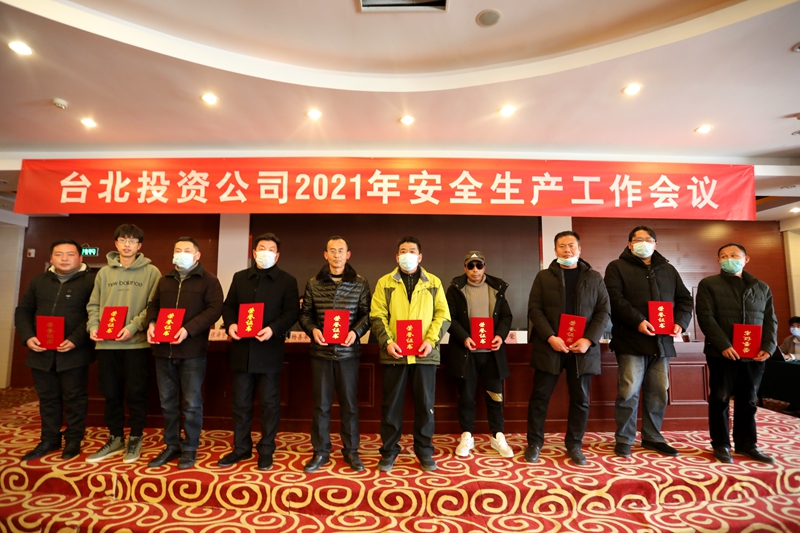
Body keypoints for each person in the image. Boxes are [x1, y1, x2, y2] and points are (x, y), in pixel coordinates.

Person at [604, 225, 693, 458]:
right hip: (631, 340)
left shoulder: (668, 269)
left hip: (661, 343)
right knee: (628, 390)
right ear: (629, 244)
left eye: (648, 239)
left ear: (655, 244)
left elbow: (685, 300)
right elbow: (615, 299)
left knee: (658, 392)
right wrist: (638, 321)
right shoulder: (617, 267)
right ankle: (624, 438)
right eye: (637, 239)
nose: (643, 243)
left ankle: (653, 437)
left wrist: (680, 323)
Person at [526, 231, 610, 465]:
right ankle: (534, 443)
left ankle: (574, 444)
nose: (567, 250)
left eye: (571, 245)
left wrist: (588, 340)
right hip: (550, 346)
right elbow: (534, 309)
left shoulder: (594, 277)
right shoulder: (544, 277)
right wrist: (550, 337)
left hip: (582, 349)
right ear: (555, 250)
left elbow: (603, 311)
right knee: (540, 397)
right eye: (562, 246)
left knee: (580, 400)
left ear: (579, 249)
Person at [219, 233, 299, 471]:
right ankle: (241, 447)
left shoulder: (287, 280)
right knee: (240, 403)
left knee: (269, 403)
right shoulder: (240, 277)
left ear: (277, 255)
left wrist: (273, 329)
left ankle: (266, 449)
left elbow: (291, 312)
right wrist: (231, 325)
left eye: (271, 249)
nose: (266, 252)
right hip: (242, 350)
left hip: (269, 350)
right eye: (261, 248)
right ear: (254, 253)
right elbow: (228, 306)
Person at [370, 236, 451, 472]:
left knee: (425, 406)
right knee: (391, 406)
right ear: (397, 257)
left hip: (424, 354)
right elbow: (377, 315)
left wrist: (431, 341)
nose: (408, 255)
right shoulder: (384, 282)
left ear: (420, 256)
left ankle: (424, 451)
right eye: (403, 251)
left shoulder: (433, 282)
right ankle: (389, 452)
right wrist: (387, 342)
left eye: (412, 251)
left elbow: (443, 315)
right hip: (394, 354)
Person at [145, 237, 223, 469]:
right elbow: (154, 305)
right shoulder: (165, 279)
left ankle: (190, 447)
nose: (181, 253)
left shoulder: (209, 280)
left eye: (187, 250)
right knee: (168, 403)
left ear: (197, 255)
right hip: (163, 350)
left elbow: (214, 309)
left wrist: (188, 329)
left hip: (192, 351)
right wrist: (151, 323)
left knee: (191, 403)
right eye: (178, 249)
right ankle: (171, 445)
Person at [695, 243, 778, 464]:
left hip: (754, 353)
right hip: (721, 353)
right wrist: (723, 344)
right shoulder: (709, 284)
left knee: (748, 400)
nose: (728, 259)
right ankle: (721, 444)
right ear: (718, 261)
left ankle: (747, 444)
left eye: (733, 255)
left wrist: (769, 346)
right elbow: (705, 317)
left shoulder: (761, 287)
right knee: (720, 399)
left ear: (746, 259)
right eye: (723, 256)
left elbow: (770, 319)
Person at [86, 224, 161, 463]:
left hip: (136, 345)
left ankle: (136, 437)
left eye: (132, 241)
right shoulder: (103, 273)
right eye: (123, 240)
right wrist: (93, 326)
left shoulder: (152, 272)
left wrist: (133, 327)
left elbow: (153, 306)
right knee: (111, 393)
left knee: (137, 394)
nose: (127, 245)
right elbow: (93, 304)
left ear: (140, 245)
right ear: (116, 243)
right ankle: (115, 437)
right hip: (106, 346)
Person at [15, 239, 95, 461]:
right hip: (41, 352)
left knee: (75, 398)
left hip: (74, 352)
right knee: (47, 398)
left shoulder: (91, 281)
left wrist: (75, 340)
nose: (64, 258)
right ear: (51, 258)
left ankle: (73, 440)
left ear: (80, 258)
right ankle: (49, 439)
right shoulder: (39, 281)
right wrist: (28, 337)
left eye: (70, 254)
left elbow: (93, 314)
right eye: (59, 254)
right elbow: (23, 311)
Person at [299, 236, 371, 473]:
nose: (337, 255)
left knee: (350, 405)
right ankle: (320, 451)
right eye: (332, 251)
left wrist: (355, 332)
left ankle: (351, 451)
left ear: (348, 255)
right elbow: (305, 314)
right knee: (321, 405)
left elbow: (367, 314)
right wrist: (313, 330)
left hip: (348, 353)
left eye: (341, 251)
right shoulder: (313, 283)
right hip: (321, 353)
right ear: (325, 254)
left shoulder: (360, 283)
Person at [445, 251, 514, 459]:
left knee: (495, 396)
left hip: (492, 354)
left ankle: (498, 435)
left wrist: (500, 335)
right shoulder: (455, 289)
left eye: (479, 265)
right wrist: (464, 337)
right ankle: (467, 435)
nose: (475, 270)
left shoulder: (497, 288)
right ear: (464, 268)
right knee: (466, 397)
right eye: (471, 266)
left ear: (485, 266)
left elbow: (506, 316)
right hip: (465, 353)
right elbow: (449, 318)